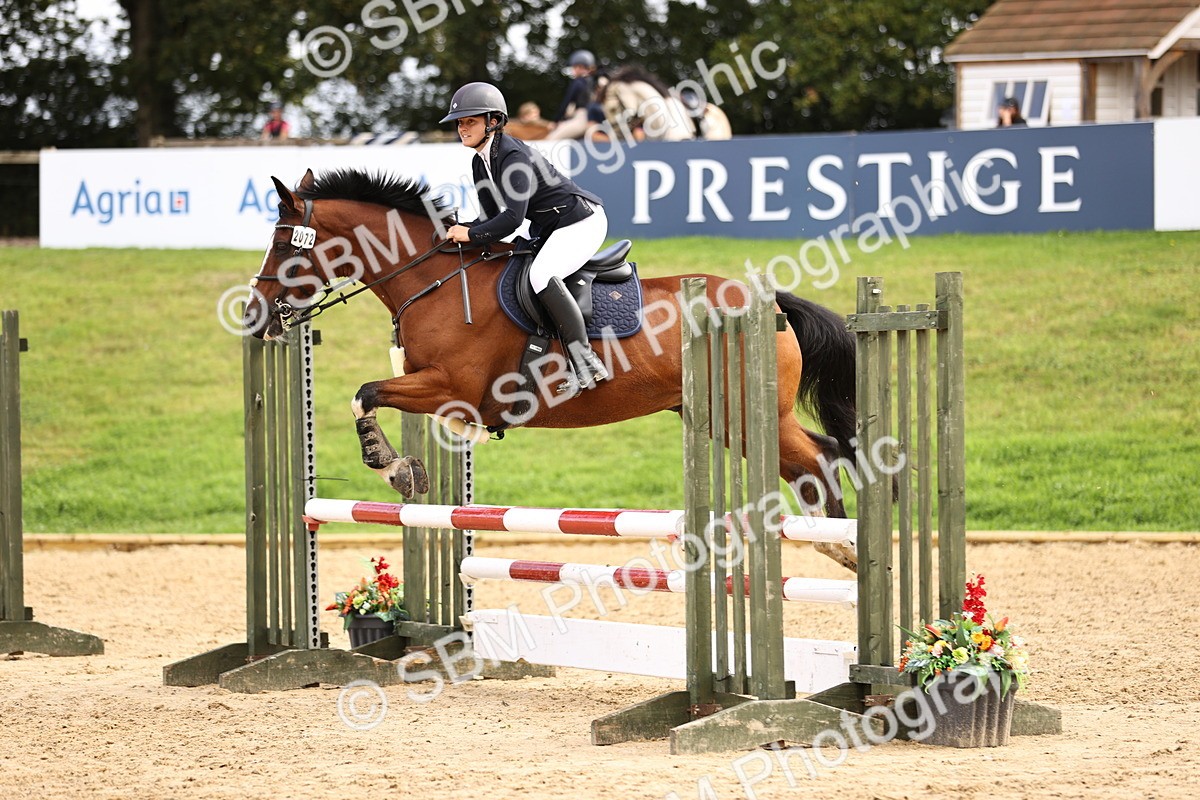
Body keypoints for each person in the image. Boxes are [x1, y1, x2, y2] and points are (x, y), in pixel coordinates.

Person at [440, 82, 611, 392]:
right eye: (460, 123)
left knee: (541, 276)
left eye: (470, 121)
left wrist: (472, 233)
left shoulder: (512, 155)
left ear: (492, 122)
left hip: (581, 222)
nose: (462, 129)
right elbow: (489, 216)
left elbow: (512, 219)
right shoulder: (480, 162)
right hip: (554, 226)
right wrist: (456, 229)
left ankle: (586, 363)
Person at [546, 49, 596, 140]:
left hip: (582, 117)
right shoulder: (593, 82)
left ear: (580, 67)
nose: (573, 71)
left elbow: (566, 102)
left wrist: (555, 121)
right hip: (593, 118)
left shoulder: (578, 82)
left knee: (551, 139)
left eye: (574, 67)